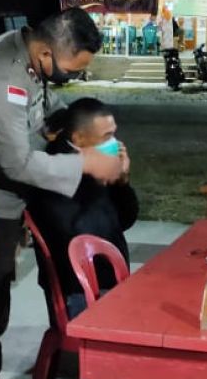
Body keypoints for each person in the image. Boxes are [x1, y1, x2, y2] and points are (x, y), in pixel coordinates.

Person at [0, 7, 122, 379]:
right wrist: (85, 164)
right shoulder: (3, 78)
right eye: (71, 69)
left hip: (8, 202)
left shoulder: (27, 57)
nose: (72, 78)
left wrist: (90, 136)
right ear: (47, 53)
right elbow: (16, 164)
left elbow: (50, 114)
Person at [27, 98, 138, 317]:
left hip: (110, 278)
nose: (114, 142)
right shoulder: (56, 171)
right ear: (78, 138)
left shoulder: (97, 163)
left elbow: (124, 220)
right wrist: (98, 173)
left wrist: (121, 181)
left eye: (114, 133)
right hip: (79, 289)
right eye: (106, 137)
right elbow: (78, 232)